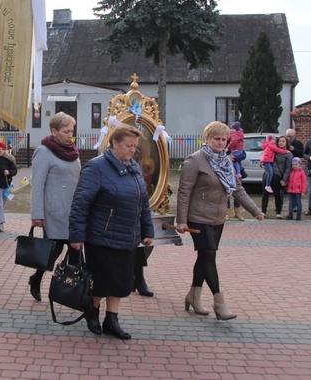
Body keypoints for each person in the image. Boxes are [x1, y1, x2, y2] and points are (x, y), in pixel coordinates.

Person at [69, 124, 154, 340]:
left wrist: (147, 230)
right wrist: (77, 236)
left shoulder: (134, 167)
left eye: (135, 146)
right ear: (114, 143)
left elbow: (143, 203)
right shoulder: (96, 167)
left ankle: (112, 320)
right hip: (102, 236)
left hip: (128, 236)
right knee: (101, 280)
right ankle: (93, 311)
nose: (132, 150)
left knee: (121, 282)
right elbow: (80, 203)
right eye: (128, 145)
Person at [176, 121, 265, 321]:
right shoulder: (194, 161)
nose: (221, 143)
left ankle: (193, 296)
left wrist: (255, 210)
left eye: (224, 140)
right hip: (198, 217)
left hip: (218, 218)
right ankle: (219, 303)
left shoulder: (225, 161)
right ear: (207, 138)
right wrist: (181, 220)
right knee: (208, 256)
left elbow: (237, 189)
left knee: (205, 258)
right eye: (217, 139)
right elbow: (184, 192)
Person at [28, 112, 81, 301]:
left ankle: (70, 291)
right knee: (53, 251)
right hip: (54, 211)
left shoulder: (73, 151)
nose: (70, 135)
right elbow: (38, 184)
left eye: (71, 131)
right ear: (54, 131)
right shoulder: (44, 151)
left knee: (75, 251)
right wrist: (37, 214)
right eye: (66, 131)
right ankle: (37, 278)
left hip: (73, 211)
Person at [261, 136, 291, 218]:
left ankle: (278, 212)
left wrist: (285, 179)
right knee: (265, 193)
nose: (280, 143)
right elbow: (264, 158)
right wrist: (262, 164)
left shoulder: (288, 154)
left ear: (286, 143)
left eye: (283, 141)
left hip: (277, 175)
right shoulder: (272, 149)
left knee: (277, 194)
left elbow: (288, 168)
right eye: (279, 141)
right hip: (268, 174)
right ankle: (263, 211)